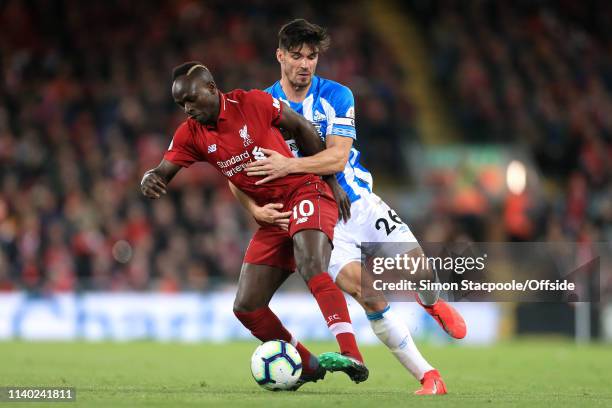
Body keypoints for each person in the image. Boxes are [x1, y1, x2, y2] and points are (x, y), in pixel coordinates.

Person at [238, 19, 467, 395]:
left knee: (421, 272)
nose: (305, 64)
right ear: (280, 56)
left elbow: (337, 158)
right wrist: (253, 207)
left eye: (311, 57)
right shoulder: (261, 106)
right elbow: (238, 170)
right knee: (369, 294)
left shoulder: (337, 95)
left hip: (360, 202)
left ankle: (432, 302)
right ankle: (430, 377)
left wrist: (288, 165)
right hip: (319, 219)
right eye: (296, 56)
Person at [140, 61, 369, 389]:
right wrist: (150, 179)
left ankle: (352, 353)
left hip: (305, 189)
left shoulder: (252, 103)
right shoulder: (190, 134)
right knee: (246, 307)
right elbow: (161, 171)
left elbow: (303, 127)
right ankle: (307, 365)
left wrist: (330, 181)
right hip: (272, 215)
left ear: (211, 88)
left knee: (311, 263)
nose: (188, 109)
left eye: (191, 99)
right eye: (181, 104)